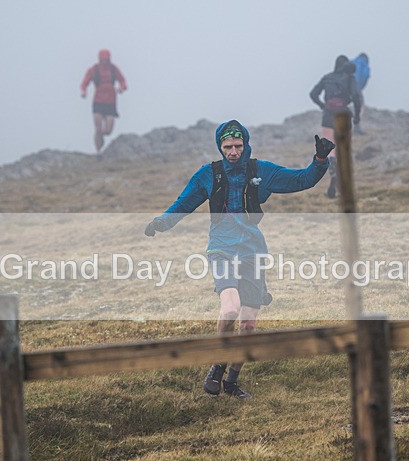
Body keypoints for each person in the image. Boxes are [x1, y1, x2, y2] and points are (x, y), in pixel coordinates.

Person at [144, 120, 335, 400]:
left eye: (237, 146)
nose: (233, 152)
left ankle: (231, 381)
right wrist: (160, 223)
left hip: (253, 252)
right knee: (230, 309)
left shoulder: (261, 171)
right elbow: (183, 204)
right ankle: (218, 365)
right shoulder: (208, 175)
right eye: (227, 147)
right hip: (221, 249)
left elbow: (300, 180)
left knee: (248, 325)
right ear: (219, 147)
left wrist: (319, 160)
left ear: (245, 144)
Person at [310, 55, 362, 199]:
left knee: (330, 146)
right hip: (343, 114)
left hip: (328, 114)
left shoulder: (327, 77)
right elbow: (357, 96)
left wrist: (322, 105)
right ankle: (341, 185)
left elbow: (313, 94)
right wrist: (357, 116)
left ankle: (333, 167)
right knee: (343, 148)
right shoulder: (350, 78)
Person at [80, 49, 127, 159]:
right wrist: (83, 92)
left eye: (107, 60)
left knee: (108, 131)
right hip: (98, 101)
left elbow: (123, 81)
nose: (105, 62)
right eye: (103, 60)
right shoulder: (93, 70)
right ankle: (98, 152)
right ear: (99, 59)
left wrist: (122, 88)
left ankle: (101, 141)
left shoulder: (114, 69)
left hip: (111, 102)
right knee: (98, 128)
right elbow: (84, 83)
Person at [350, 53, 371, 134]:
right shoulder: (365, 66)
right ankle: (356, 126)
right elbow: (365, 77)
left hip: (346, 87)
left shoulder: (351, 61)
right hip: (357, 88)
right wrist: (360, 88)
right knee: (360, 106)